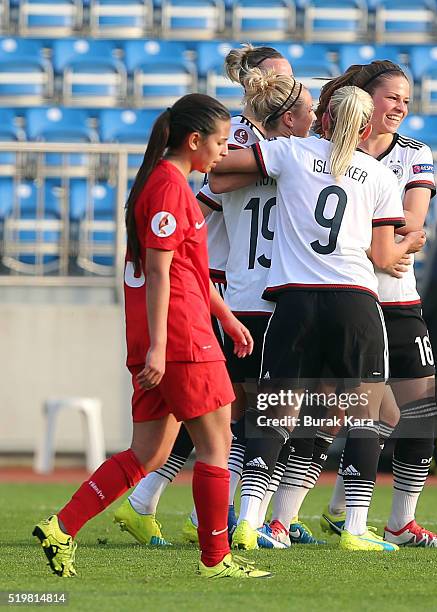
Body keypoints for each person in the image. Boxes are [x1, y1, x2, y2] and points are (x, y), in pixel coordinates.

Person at [32, 93, 271, 579]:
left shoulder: (163, 184)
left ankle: (61, 528)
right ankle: (216, 559)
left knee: (150, 452)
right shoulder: (168, 188)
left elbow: (188, 269)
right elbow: (160, 271)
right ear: (194, 140)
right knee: (217, 443)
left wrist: (225, 317)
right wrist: (162, 346)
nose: (225, 152)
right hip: (180, 340)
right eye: (222, 142)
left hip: (166, 337)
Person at [214, 84, 426, 551]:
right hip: (354, 301)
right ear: (367, 127)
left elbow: (219, 169)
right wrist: (413, 242)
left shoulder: (290, 152)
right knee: (364, 415)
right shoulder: (377, 175)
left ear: (324, 118)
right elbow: (384, 254)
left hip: (294, 302)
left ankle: (248, 522)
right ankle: (353, 529)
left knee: (273, 412)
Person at [113, 43, 296, 548]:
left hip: (230, 285)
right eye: (276, 78)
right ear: (252, 83)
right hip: (215, 284)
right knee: (223, 413)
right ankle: (221, 518)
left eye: (288, 79)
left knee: (208, 413)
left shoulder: (261, 139)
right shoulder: (235, 139)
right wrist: (285, 159)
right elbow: (214, 183)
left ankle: (164, 501)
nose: (285, 87)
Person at [315, 61, 437, 548]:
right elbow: (390, 241)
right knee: (335, 414)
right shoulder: (333, 153)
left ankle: (399, 522)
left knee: (418, 410)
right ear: (364, 98)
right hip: (347, 297)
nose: (399, 107)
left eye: (406, 100)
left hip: (400, 300)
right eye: (392, 97)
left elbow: (413, 224)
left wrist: (386, 240)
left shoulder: (415, 153)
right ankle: (274, 516)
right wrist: (385, 243)